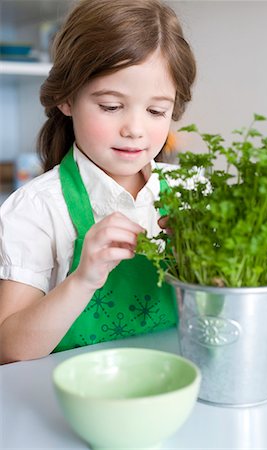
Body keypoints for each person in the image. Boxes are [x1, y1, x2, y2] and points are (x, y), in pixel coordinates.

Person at [0, 0, 196, 363]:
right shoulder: (39, 209)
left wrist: (205, 266)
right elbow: (7, 348)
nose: (135, 129)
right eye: (110, 105)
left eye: (156, 111)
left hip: (176, 391)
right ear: (66, 98)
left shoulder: (192, 192)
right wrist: (83, 280)